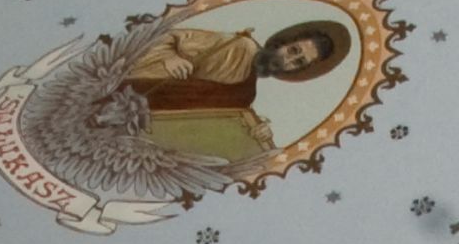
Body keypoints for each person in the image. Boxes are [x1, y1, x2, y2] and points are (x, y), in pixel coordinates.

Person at [120, 13, 351, 173]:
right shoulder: (239, 47)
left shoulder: (248, 90)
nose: (287, 60)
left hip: (149, 130)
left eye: (298, 62)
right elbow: (165, 36)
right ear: (282, 43)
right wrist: (168, 58)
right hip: (126, 100)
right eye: (293, 50)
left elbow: (212, 118)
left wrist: (255, 130)